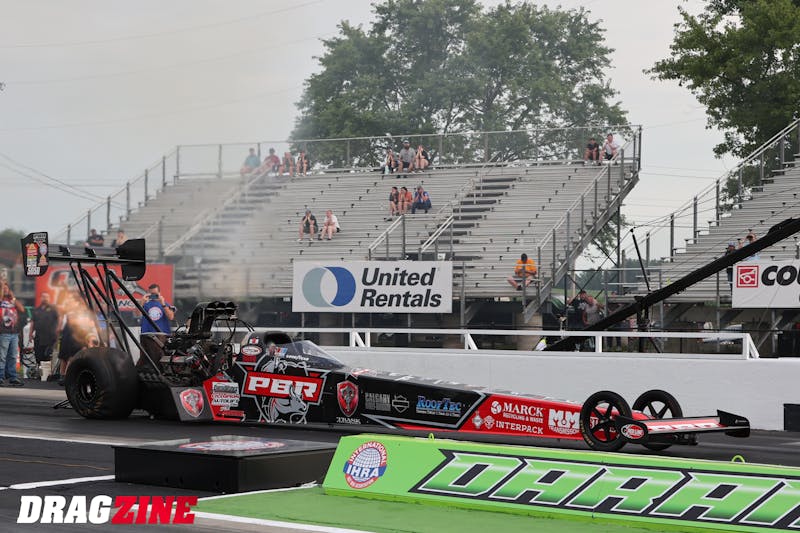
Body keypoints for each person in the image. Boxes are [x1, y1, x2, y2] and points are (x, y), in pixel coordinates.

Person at [0, 283, 25, 386]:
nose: (6, 290)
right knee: (2, 356)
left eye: (7, 288)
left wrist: (13, 297)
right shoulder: (1, 301)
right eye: (4, 288)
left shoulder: (12, 301)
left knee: (13, 356)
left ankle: (13, 377)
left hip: (14, 332)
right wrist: (2, 289)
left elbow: (22, 309)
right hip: (3, 332)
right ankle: (0, 376)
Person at [31, 293, 59, 377]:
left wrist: (58, 332)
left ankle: (47, 375)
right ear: (41, 298)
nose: (45, 298)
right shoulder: (37, 310)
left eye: (47, 297)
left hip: (50, 337)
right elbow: (33, 322)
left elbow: (59, 320)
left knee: (47, 355)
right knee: (38, 355)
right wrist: (30, 334)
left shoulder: (53, 309)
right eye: (43, 297)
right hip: (39, 336)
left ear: (49, 298)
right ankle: (40, 374)